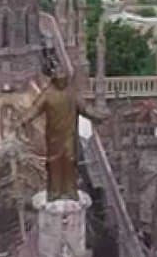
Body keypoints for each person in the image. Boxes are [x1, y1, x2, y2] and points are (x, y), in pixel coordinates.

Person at [21, 67, 107, 201]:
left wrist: (98, 116)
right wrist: (23, 120)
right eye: (59, 77)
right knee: (54, 163)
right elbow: (35, 109)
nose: (62, 80)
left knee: (69, 161)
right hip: (53, 137)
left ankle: (69, 190)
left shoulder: (72, 93)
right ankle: (54, 191)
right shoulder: (47, 94)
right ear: (54, 79)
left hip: (69, 136)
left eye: (63, 77)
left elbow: (85, 109)